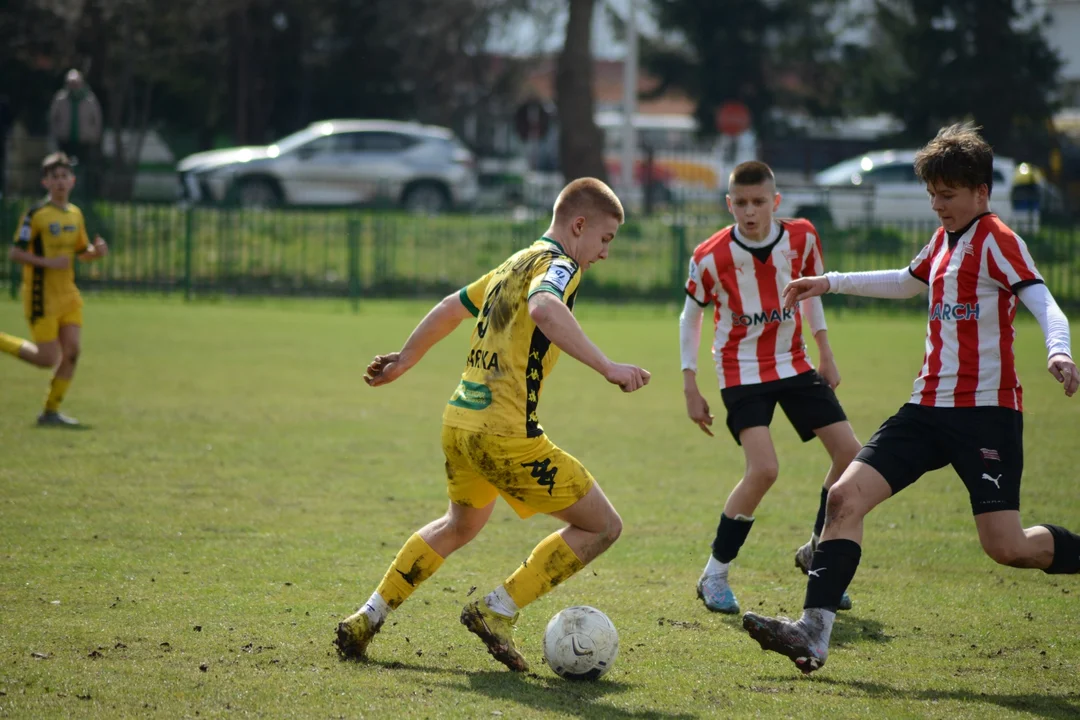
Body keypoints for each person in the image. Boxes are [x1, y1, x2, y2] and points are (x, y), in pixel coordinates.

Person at [743, 122, 1079, 674]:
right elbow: (906, 281)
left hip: (985, 416)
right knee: (844, 497)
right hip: (925, 409)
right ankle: (813, 633)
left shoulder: (998, 240)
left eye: (947, 195)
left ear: (980, 192)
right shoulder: (946, 239)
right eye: (932, 195)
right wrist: (828, 282)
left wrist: (1059, 351)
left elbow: (1045, 304)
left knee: (1007, 547)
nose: (937, 206)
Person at [334, 178, 651, 671]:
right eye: (606, 239)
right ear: (579, 225)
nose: (605, 253)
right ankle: (496, 610)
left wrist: (404, 360)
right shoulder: (560, 265)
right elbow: (545, 308)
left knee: (458, 526)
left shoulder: (514, 262)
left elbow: (450, 308)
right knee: (604, 526)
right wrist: (609, 367)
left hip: (459, 423)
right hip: (504, 435)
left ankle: (366, 618)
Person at [681, 160, 862, 615]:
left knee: (850, 455)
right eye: (740, 203)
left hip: (794, 362)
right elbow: (691, 317)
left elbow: (811, 293)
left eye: (758, 202)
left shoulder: (802, 238)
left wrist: (826, 351)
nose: (750, 211)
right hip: (740, 370)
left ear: (775, 202)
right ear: (729, 204)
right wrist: (690, 384)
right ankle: (714, 574)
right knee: (764, 470)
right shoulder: (710, 255)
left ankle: (819, 553)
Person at [0, 153, 108, 426]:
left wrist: (97, 253)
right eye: (54, 177)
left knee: (72, 352)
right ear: (45, 182)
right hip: (41, 297)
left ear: (72, 181)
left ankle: (50, 412)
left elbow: (81, 251)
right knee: (47, 358)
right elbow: (15, 253)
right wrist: (48, 262)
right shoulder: (36, 215)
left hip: (68, 295)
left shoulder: (75, 214)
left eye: (64, 177)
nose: (60, 182)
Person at [48, 70, 103, 200]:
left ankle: (87, 195)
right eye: (70, 83)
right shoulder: (60, 98)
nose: (73, 86)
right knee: (63, 168)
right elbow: (53, 118)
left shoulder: (89, 99)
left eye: (75, 83)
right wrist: (57, 133)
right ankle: (64, 194)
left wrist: (94, 135)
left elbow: (97, 120)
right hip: (65, 139)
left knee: (86, 168)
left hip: (84, 140)